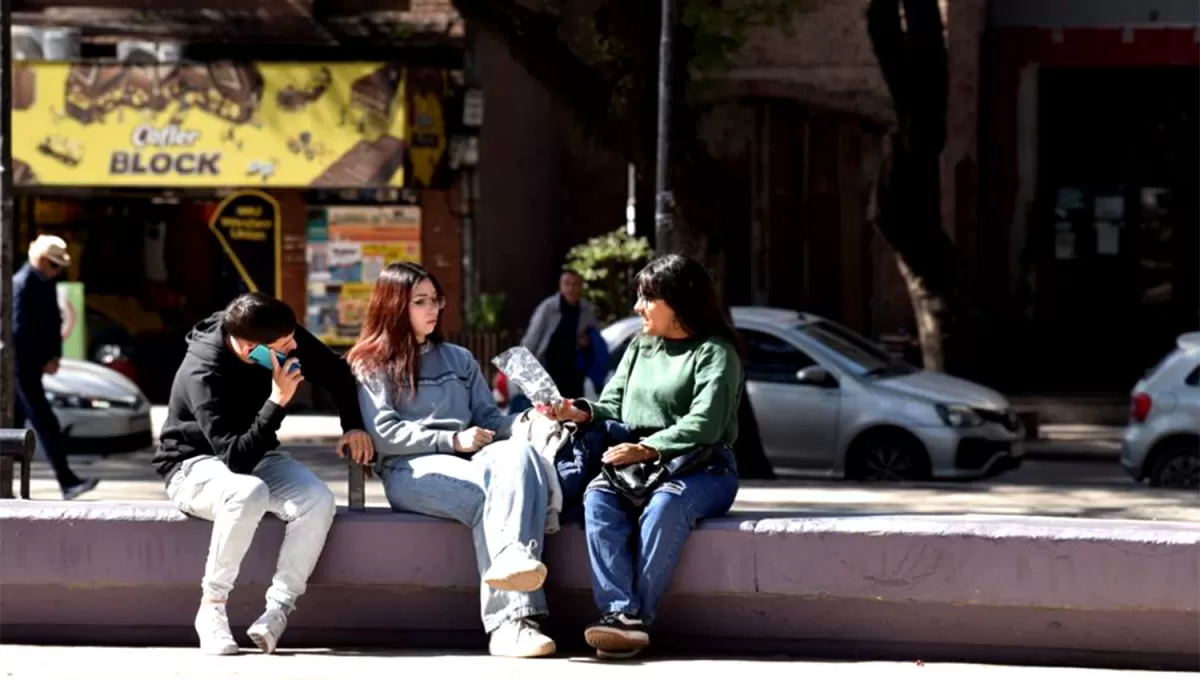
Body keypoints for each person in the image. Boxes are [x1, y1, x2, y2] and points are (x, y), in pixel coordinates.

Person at [350, 262, 558, 659]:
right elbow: (384, 434)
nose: (434, 310)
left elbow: (491, 422)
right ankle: (511, 623)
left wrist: (531, 420)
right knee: (493, 496)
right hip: (410, 469)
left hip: (471, 460)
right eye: (421, 302)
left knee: (520, 452)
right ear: (394, 305)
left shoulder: (459, 359)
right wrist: (451, 438)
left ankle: (514, 562)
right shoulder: (371, 362)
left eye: (436, 300)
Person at [153, 293, 374, 656]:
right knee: (248, 491)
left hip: (256, 455)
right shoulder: (204, 372)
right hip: (192, 467)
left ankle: (278, 611)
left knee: (317, 500)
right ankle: (212, 607)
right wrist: (277, 402)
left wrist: (352, 425)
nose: (294, 347)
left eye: (292, 337)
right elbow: (236, 459)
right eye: (284, 345)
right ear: (248, 348)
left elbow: (335, 371)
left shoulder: (275, 331)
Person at [546, 254, 744, 659]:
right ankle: (621, 616)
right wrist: (578, 410)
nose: (638, 307)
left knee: (666, 505)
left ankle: (635, 618)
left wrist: (650, 447)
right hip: (632, 463)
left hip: (702, 466)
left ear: (680, 301)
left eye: (648, 297)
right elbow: (613, 403)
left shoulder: (716, 353)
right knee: (597, 499)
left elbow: (705, 423)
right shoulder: (641, 346)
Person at [11, 234, 97, 500]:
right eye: (54, 265)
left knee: (14, 427)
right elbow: (20, 331)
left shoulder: (43, 281)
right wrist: (42, 358)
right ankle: (66, 480)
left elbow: (52, 322)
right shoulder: (24, 284)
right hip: (23, 366)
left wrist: (53, 356)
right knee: (45, 422)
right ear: (41, 260)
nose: (57, 271)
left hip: (31, 364)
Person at [521, 270, 599, 398]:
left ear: (580, 287)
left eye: (575, 284)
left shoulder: (586, 310)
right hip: (548, 371)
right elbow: (532, 338)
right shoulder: (548, 308)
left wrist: (587, 342)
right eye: (567, 284)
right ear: (560, 286)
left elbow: (595, 339)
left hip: (574, 373)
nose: (571, 288)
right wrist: (525, 368)